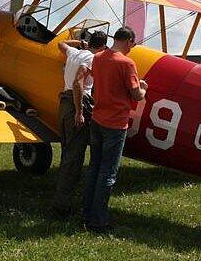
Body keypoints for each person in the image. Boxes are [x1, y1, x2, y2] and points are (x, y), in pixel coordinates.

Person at [81, 26, 147, 233]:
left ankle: (86, 212)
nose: (131, 49)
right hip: (116, 124)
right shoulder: (127, 63)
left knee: (94, 168)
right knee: (108, 174)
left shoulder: (98, 58)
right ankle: (97, 221)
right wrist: (143, 87)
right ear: (128, 41)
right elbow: (137, 95)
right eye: (132, 45)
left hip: (97, 119)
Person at [51, 30, 108, 217]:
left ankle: (62, 197)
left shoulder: (74, 52)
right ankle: (62, 206)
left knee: (68, 152)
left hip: (64, 103)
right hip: (78, 103)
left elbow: (61, 44)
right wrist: (79, 112)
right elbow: (78, 83)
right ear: (102, 47)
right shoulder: (92, 59)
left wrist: (80, 43)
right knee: (74, 157)